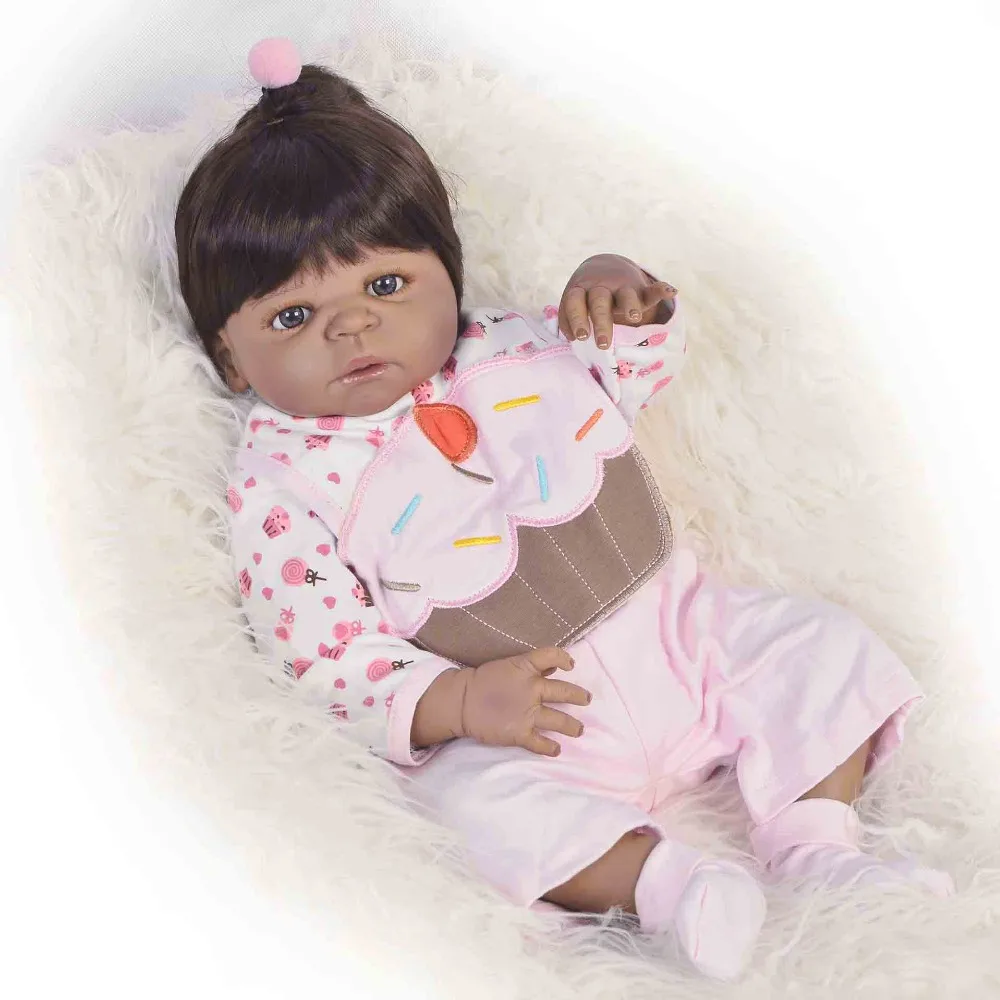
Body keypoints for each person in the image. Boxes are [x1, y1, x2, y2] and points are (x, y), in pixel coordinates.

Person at [173, 36, 953, 981]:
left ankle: (819, 847)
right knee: (469, 814)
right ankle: (670, 885)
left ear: (448, 273)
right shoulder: (281, 484)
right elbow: (323, 654)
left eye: (385, 285)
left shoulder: (516, 346)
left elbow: (633, 370)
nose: (354, 325)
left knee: (819, 647)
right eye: (294, 317)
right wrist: (461, 703)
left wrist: (623, 294)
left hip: (680, 639)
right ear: (230, 359)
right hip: (531, 724)